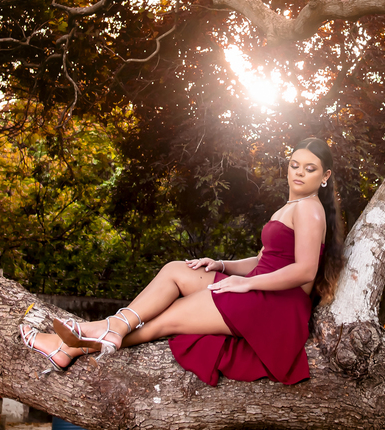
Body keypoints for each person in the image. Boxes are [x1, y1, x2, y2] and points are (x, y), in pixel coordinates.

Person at [19, 137, 344, 385]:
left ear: (325, 175)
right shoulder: (291, 207)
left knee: (167, 319)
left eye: (310, 168)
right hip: (258, 289)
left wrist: (247, 284)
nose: (299, 173)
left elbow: (304, 271)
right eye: (295, 165)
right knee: (176, 270)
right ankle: (110, 328)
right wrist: (222, 265)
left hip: (276, 306)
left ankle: (74, 344)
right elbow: (264, 259)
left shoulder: (311, 210)